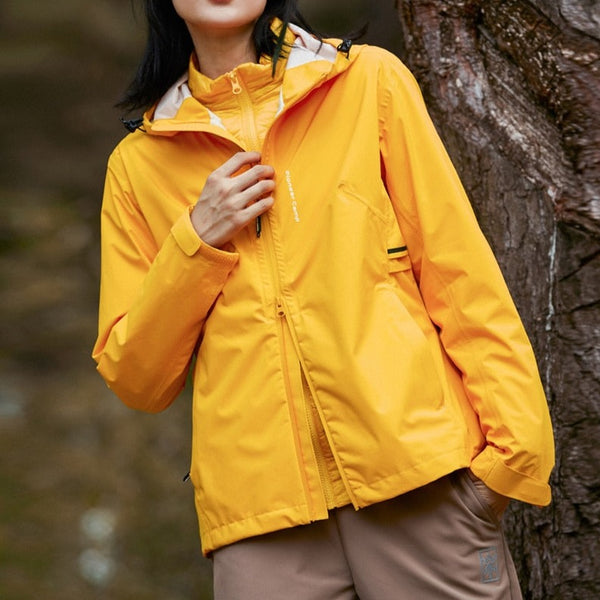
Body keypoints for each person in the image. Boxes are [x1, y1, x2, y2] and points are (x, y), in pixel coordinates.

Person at [92, 1, 555, 598]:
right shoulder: (137, 166)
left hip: (421, 483)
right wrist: (196, 240)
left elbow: (457, 271)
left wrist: (508, 460)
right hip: (261, 524)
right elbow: (137, 377)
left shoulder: (368, 82)